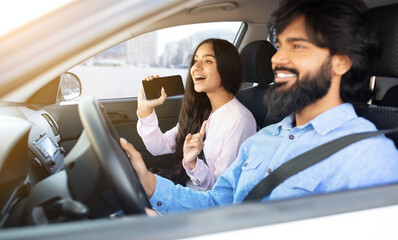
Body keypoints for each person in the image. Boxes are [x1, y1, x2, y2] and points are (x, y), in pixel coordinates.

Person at [120, 0, 398, 214]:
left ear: (341, 61)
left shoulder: (369, 157)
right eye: (278, 46)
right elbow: (217, 205)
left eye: (297, 46)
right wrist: (148, 182)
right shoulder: (265, 138)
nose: (277, 58)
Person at [136, 38, 257, 191]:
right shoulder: (201, 111)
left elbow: (221, 189)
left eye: (207, 61)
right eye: (195, 60)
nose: (195, 67)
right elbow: (158, 147)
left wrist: (193, 164)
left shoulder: (239, 120)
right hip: (184, 190)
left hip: (202, 204)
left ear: (227, 68)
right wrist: (145, 111)